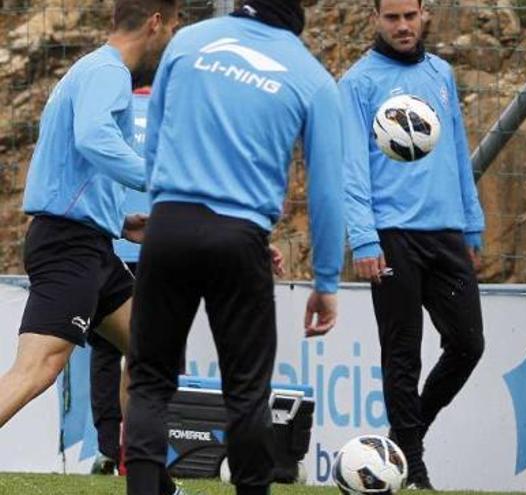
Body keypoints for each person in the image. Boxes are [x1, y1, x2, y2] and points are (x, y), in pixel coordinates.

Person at [123, 1, 345, 494]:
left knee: (150, 382)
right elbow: (329, 191)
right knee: (246, 392)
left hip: (170, 227)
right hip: (240, 238)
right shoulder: (311, 78)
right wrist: (325, 281)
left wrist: (164, 208)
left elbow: (156, 142)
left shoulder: (190, 41)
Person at [0, 0, 179, 430]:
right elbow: (93, 137)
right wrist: (160, 181)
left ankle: (145, 478)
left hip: (92, 244)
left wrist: (117, 221)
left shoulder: (93, 69)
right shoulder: (108, 72)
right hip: (69, 246)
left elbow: (70, 170)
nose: (174, 38)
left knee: (151, 350)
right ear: (156, 23)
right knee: (37, 369)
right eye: (175, 26)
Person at [340, 0, 486, 489]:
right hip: (391, 237)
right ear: (375, 19)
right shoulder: (358, 84)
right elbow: (351, 171)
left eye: (410, 15)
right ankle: (414, 469)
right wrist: (363, 238)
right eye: (392, 17)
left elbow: (459, 151)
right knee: (402, 352)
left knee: (468, 344)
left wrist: (471, 225)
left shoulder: (440, 73)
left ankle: (404, 439)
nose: (402, 26)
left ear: (423, 14)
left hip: (445, 233)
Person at [88, 85, 153, 476]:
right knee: (149, 351)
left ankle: (109, 446)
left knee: (106, 351)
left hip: (113, 241)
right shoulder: (173, 110)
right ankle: (137, 449)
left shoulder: (110, 112)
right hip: (155, 244)